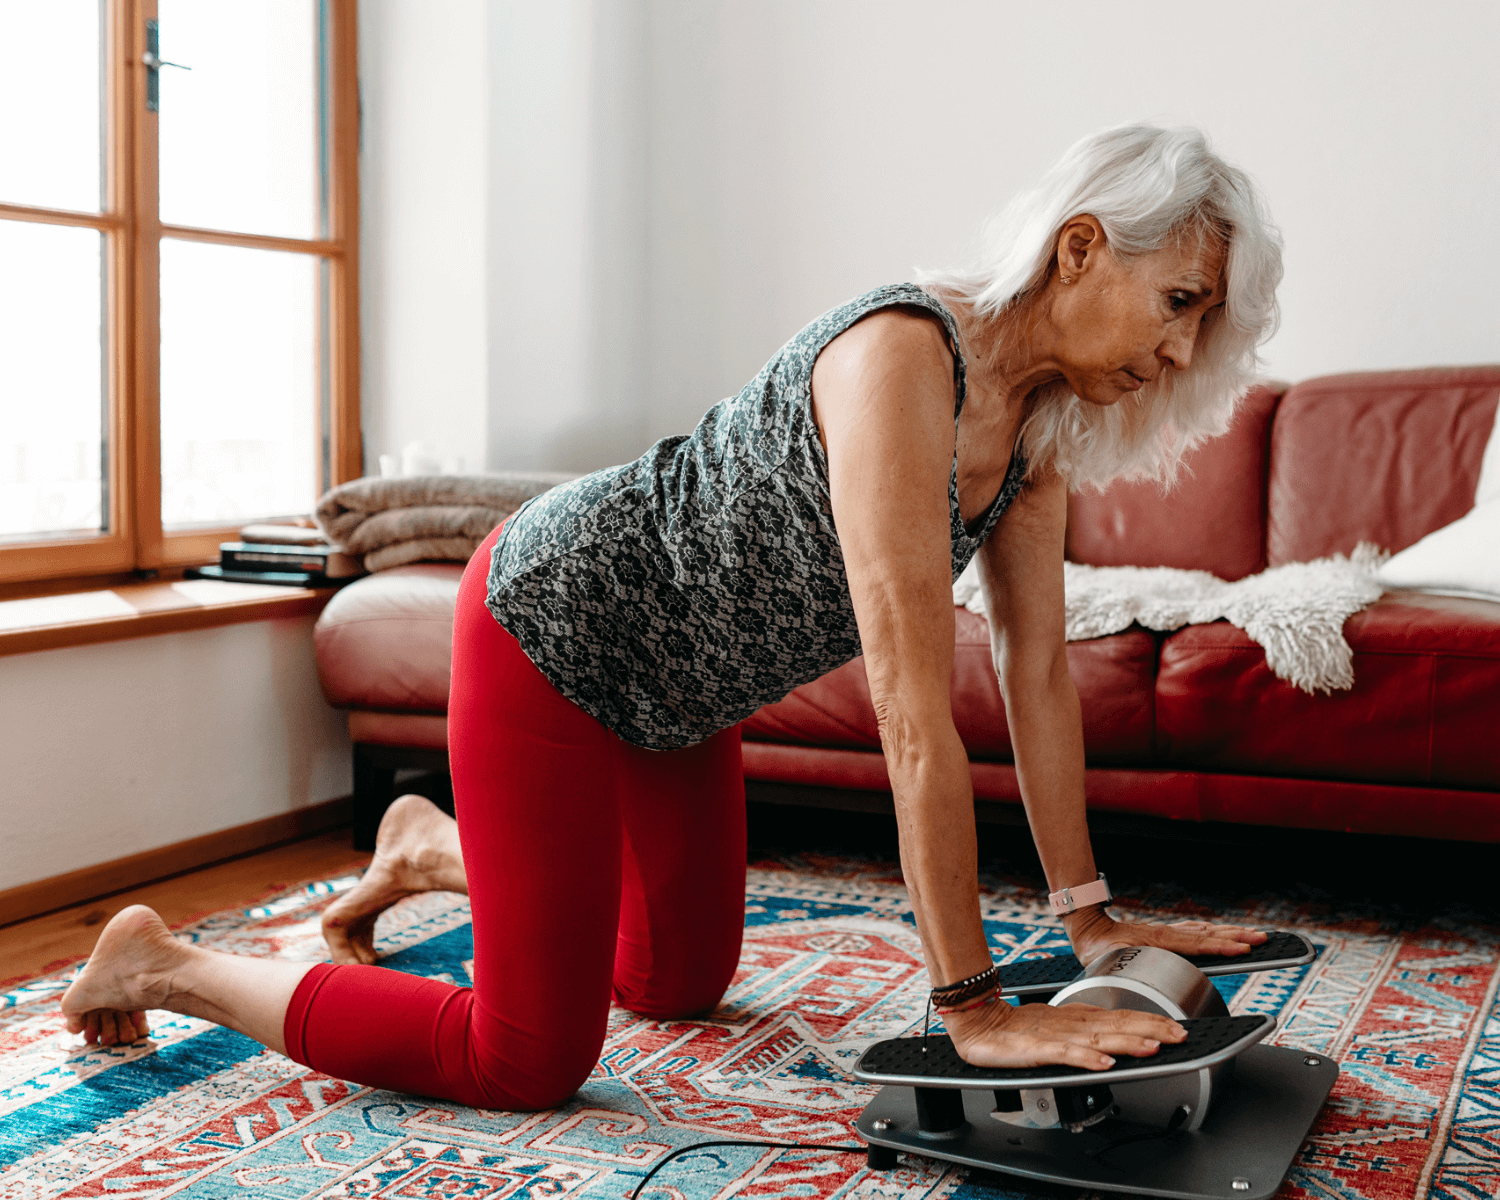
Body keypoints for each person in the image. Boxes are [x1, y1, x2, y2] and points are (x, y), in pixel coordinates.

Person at [62, 124, 1284, 1112]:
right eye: (1178, 300)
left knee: (676, 984)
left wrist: (1091, 916)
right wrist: (972, 1010)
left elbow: (1036, 676)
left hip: (680, 696)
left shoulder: (1034, 432)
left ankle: (431, 851)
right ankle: (168, 963)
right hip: (556, 626)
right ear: (1080, 248)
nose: (1183, 348)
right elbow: (916, 718)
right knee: (527, 1058)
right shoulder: (906, 356)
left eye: (1202, 322)